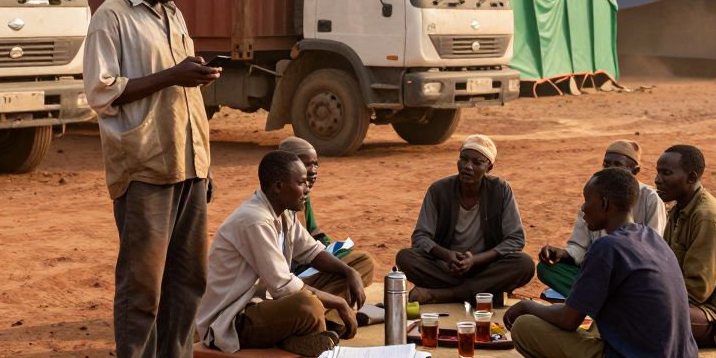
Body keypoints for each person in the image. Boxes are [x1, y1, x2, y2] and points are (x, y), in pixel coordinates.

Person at [83, 0, 226, 358]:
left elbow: (178, 92)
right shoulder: (113, 17)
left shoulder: (172, 14)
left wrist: (194, 75)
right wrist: (174, 74)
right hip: (144, 168)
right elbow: (101, 93)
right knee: (142, 283)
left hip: (187, 163)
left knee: (189, 279)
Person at [504, 168, 698, 358]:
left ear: (605, 203)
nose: (584, 208)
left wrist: (528, 306)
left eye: (587, 200)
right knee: (593, 327)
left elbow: (569, 321)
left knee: (525, 326)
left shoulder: (606, 247)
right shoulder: (651, 236)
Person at [195, 151, 368, 356]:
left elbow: (312, 252)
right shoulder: (255, 220)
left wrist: (350, 272)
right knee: (307, 305)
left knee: (361, 264)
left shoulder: (284, 212)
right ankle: (309, 328)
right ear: (279, 186)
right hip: (235, 318)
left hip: (272, 304)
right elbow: (283, 286)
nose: (307, 189)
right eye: (301, 183)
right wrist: (338, 301)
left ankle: (314, 327)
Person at [396, 135, 535, 305]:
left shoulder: (501, 190)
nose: (468, 167)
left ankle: (445, 294)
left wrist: (475, 260)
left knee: (525, 264)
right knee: (405, 258)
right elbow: (420, 237)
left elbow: (516, 239)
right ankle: (484, 293)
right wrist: (447, 255)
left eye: (477, 162)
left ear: (489, 167)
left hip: (486, 267)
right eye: (464, 159)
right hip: (446, 267)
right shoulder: (438, 190)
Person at [536, 140, 667, 297]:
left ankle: (592, 300)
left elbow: (653, 252)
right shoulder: (595, 193)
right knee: (547, 269)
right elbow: (579, 246)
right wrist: (563, 254)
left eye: (617, 164)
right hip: (598, 274)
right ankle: (602, 300)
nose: (610, 169)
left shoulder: (650, 199)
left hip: (629, 276)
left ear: (635, 170)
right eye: (606, 164)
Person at [655, 144, 716, 349]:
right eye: (658, 172)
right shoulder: (678, 210)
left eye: (666, 173)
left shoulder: (707, 217)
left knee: (644, 313)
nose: (657, 179)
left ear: (691, 177)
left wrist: (650, 296)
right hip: (688, 302)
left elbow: (698, 290)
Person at [278, 136, 375, 288]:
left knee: (361, 264)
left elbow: (314, 233)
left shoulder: (303, 197)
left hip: (309, 263)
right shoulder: (274, 207)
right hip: (292, 273)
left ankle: (330, 303)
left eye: (316, 165)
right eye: (308, 165)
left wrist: (333, 249)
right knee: (350, 271)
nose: (313, 170)